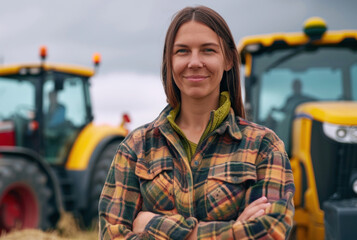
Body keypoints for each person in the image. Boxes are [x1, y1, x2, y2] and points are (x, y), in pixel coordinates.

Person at [99, 6, 295, 240]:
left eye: (208, 50)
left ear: (229, 60)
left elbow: (269, 233)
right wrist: (235, 230)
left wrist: (151, 224)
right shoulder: (136, 148)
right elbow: (112, 236)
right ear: (169, 61)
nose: (194, 62)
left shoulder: (263, 146)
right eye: (182, 51)